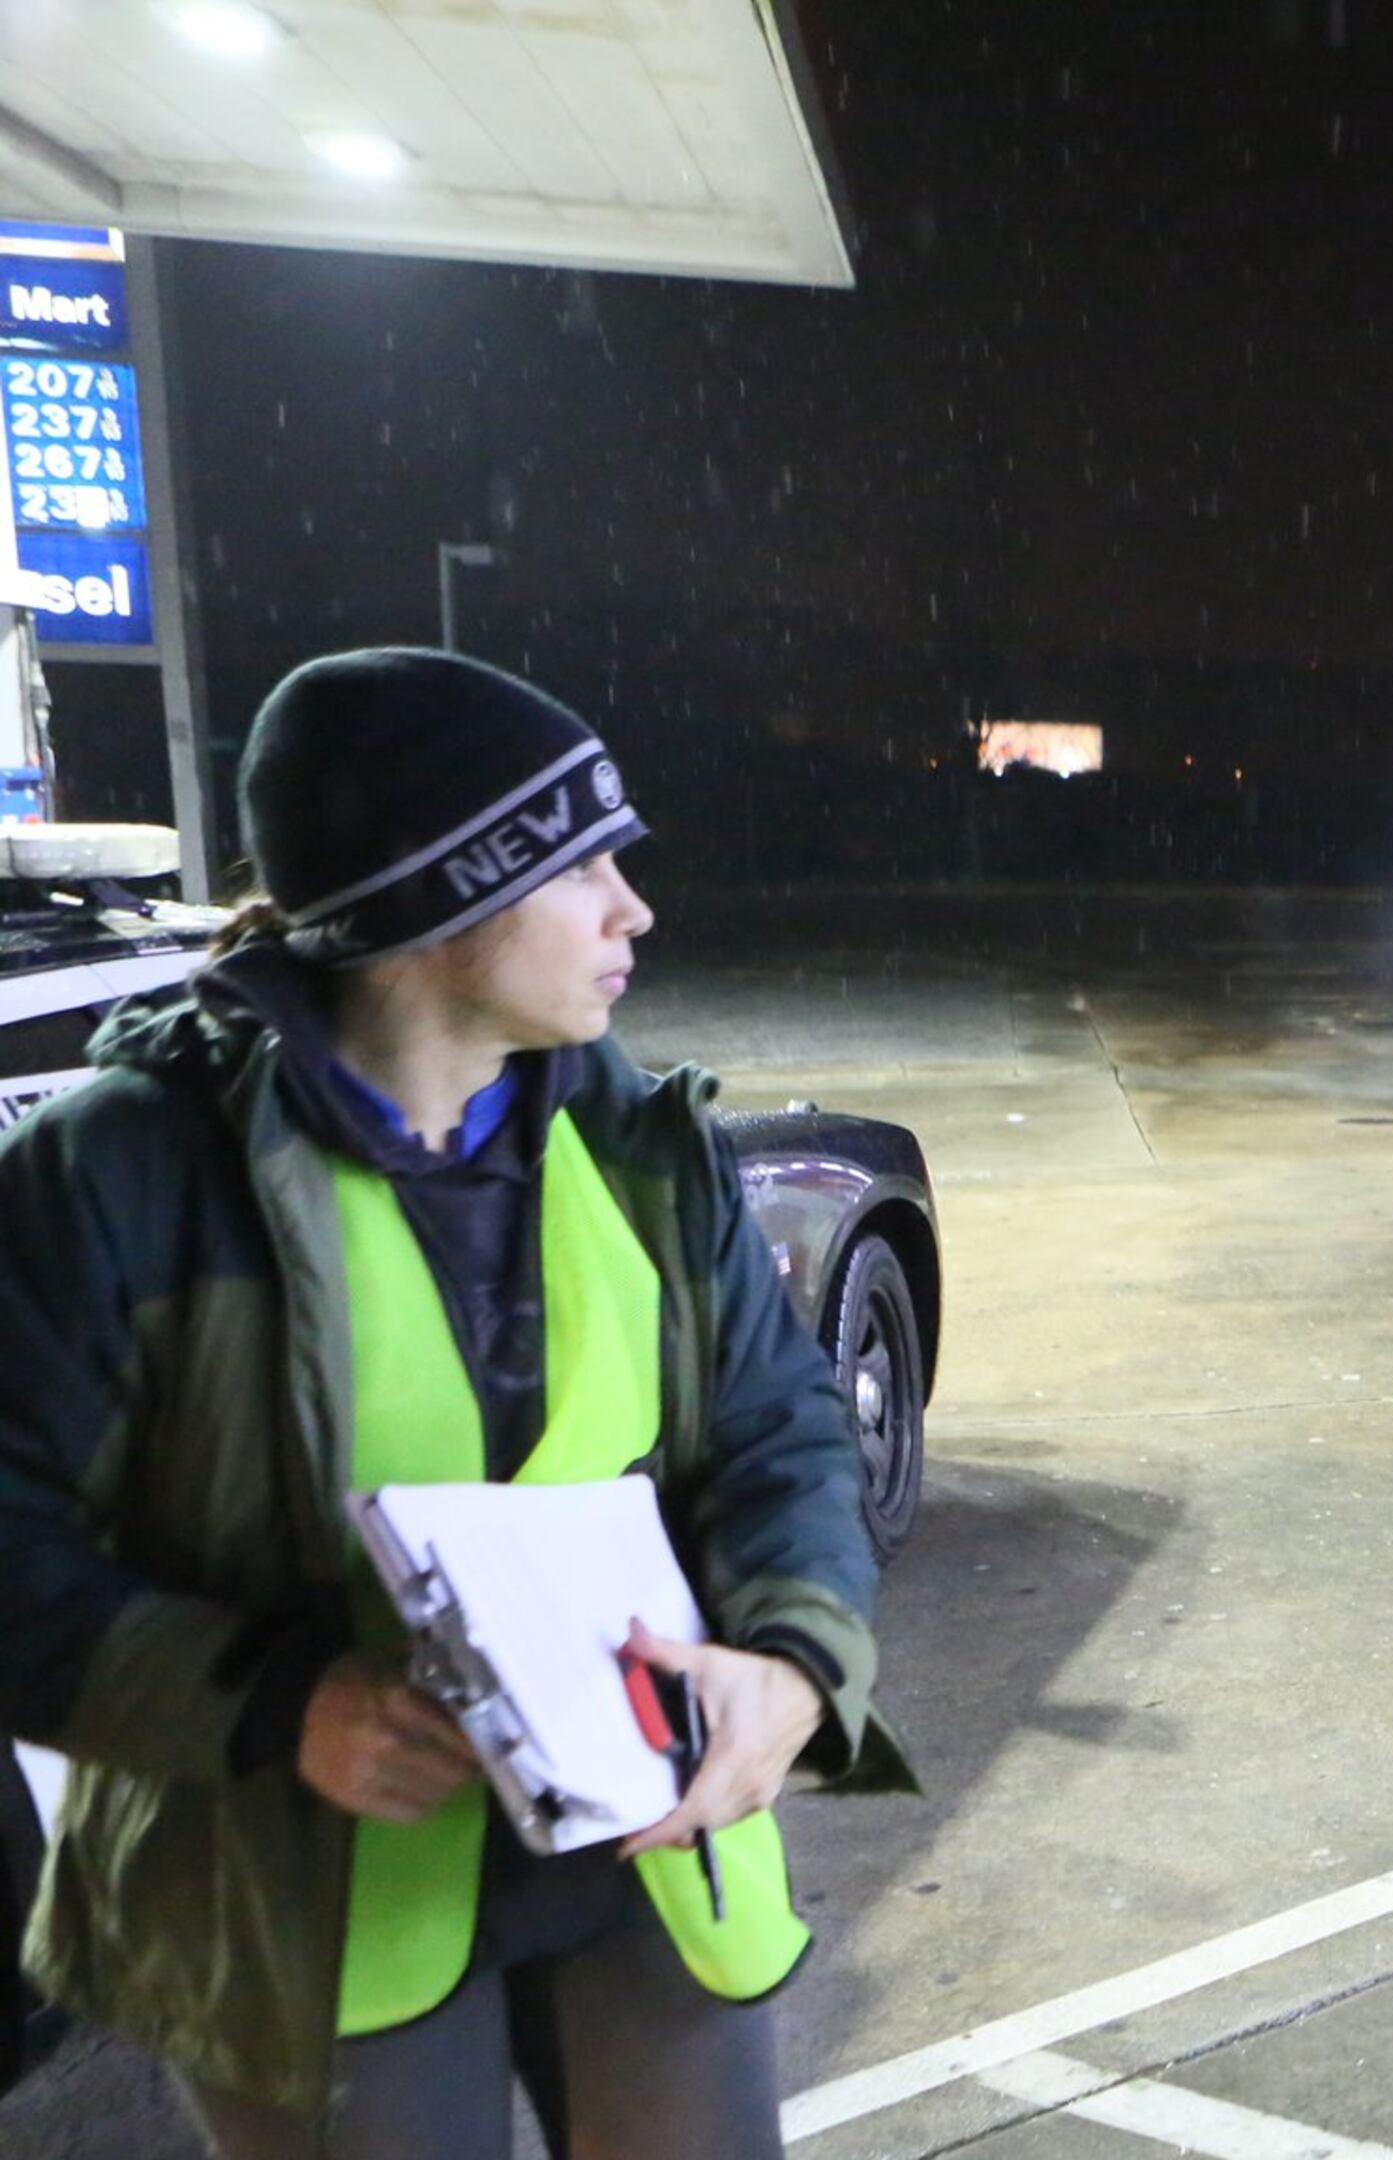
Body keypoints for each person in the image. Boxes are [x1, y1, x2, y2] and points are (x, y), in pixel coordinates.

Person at [0, 649, 910, 2158]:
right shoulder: (122, 1177)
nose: (636, 908)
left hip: (647, 1839)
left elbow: (780, 1433)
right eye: (584, 868)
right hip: (300, 1881)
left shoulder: (642, 1146)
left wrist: (795, 1662)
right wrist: (280, 1702)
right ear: (441, 905)